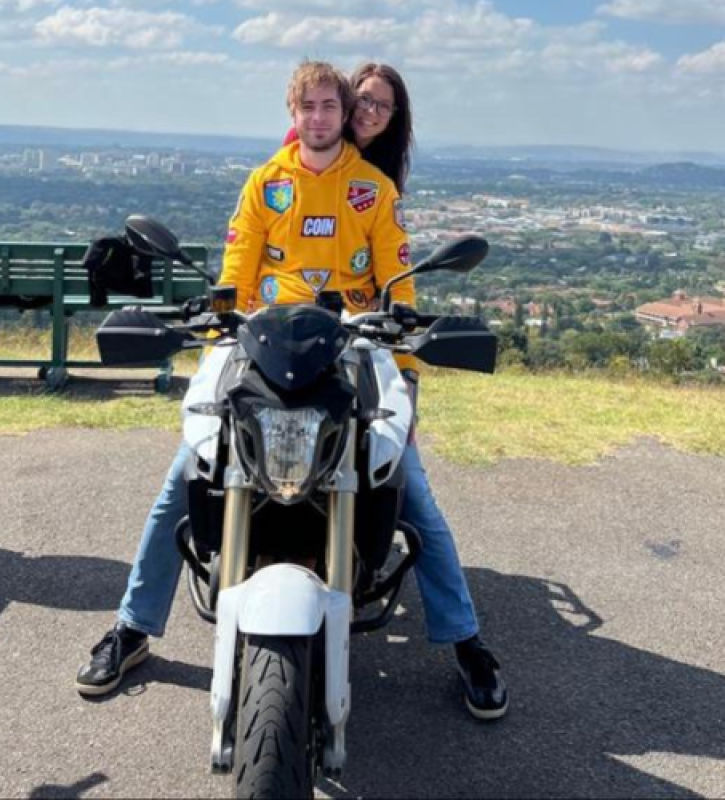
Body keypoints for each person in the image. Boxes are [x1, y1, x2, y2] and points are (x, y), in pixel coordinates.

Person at [76, 61, 508, 721]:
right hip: (263, 343)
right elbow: (236, 271)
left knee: (411, 491)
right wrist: (218, 316)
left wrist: (409, 379)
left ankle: (467, 641)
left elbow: (398, 281)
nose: (320, 118)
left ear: (342, 114)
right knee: (187, 474)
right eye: (308, 107)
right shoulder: (264, 183)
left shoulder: (372, 188)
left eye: (330, 106)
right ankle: (133, 626)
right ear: (293, 112)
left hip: (355, 348)